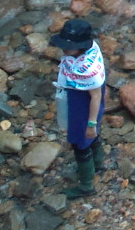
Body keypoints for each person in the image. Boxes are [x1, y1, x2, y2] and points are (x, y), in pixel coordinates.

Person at [51, 19, 107, 199]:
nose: (64, 49)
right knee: (92, 137)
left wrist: (91, 124)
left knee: (80, 144)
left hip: (84, 107)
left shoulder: (87, 70)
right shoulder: (91, 50)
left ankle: (86, 186)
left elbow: (95, 97)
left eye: (69, 46)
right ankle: (98, 163)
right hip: (83, 101)